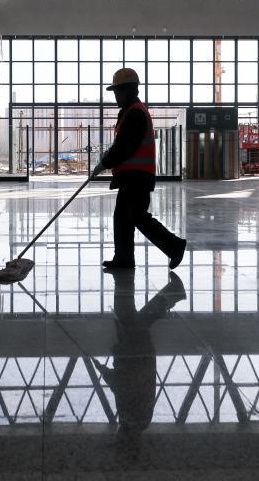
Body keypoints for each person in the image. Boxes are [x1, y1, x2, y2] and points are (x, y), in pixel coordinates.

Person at [92, 68, 187, 270]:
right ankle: (124, 258)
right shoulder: (129, 112)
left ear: (129, 90)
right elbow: (121, 145)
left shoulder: (135, 113)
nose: (115, 95)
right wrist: (106, 161)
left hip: (137, 178)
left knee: (137, 217)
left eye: (117, 91)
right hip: (131, 177)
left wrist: (104, 163)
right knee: (123, 218)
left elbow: (125, 146)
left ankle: (175, 246)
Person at [95, 270, 186, 453]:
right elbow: (125, 386)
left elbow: (122, 387)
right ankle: (166, 291)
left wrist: (107, 371)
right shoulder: (136, 419)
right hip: (136, 355)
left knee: (129, 317)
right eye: (119, 439)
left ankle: (129, 281)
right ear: (126, 439)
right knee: (130, 320)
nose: (117, 434)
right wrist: (105, 372)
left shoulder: (132, 421)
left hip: (135, 356)